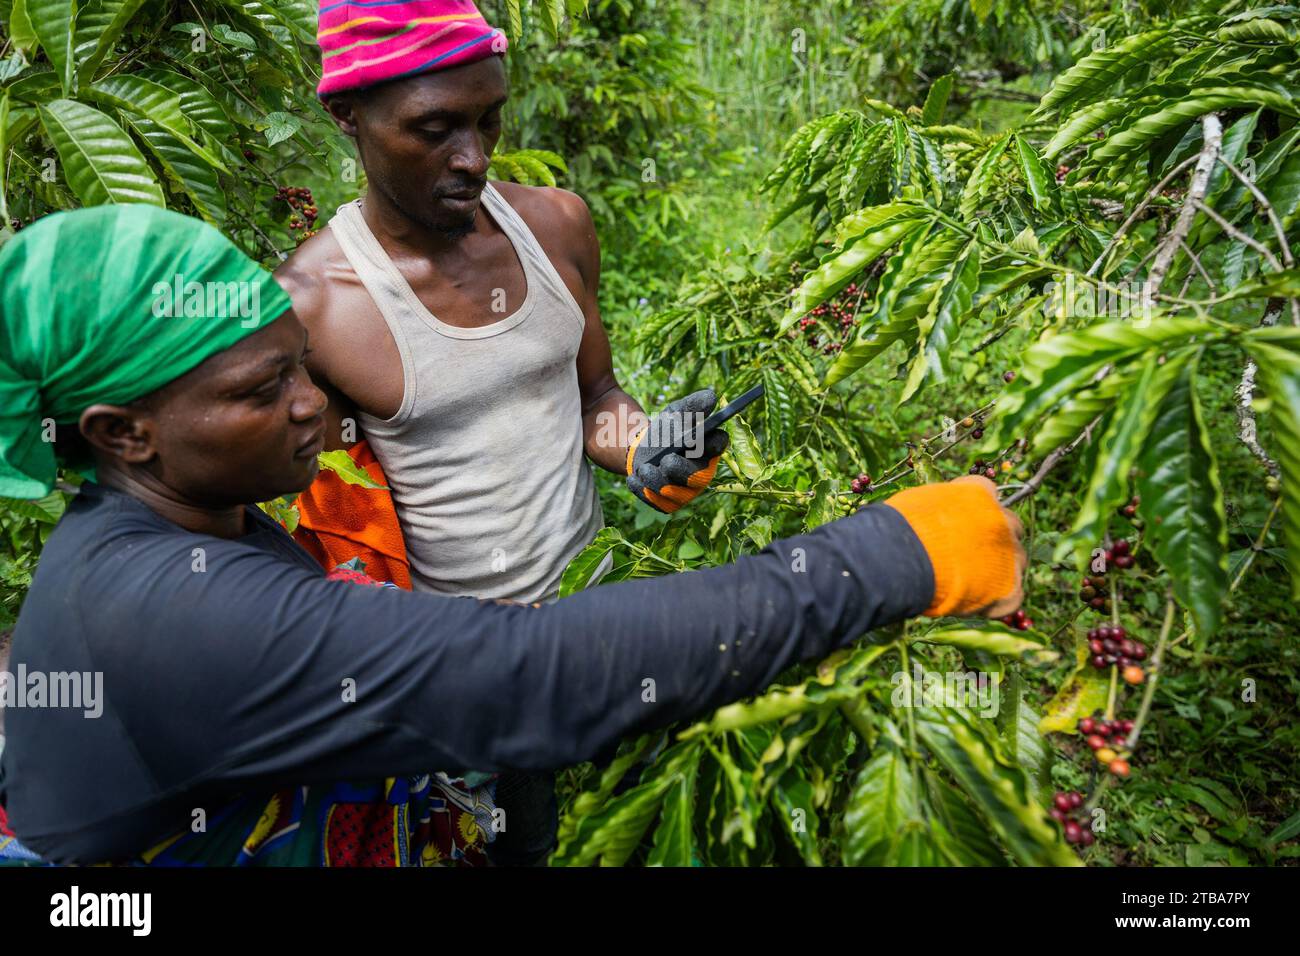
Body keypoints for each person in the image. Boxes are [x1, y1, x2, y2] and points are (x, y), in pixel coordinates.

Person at [0, 206, 1025, 866]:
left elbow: (587, 410)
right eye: (263, 390)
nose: (314, 406)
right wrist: (889, 554)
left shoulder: (190, 516)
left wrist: (637, 451)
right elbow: (533, 676)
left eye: (300, 366)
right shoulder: (168, 606)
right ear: (122, 433)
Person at [276, 0, 731, 864]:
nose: (474, 158)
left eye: (489, 120)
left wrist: (646, 446)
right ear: (347, 116)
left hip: (601, 622)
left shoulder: (556, 224)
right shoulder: (316, 305)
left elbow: (598, 394)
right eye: (436, 129)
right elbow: (340, 527)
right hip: (459, 674)